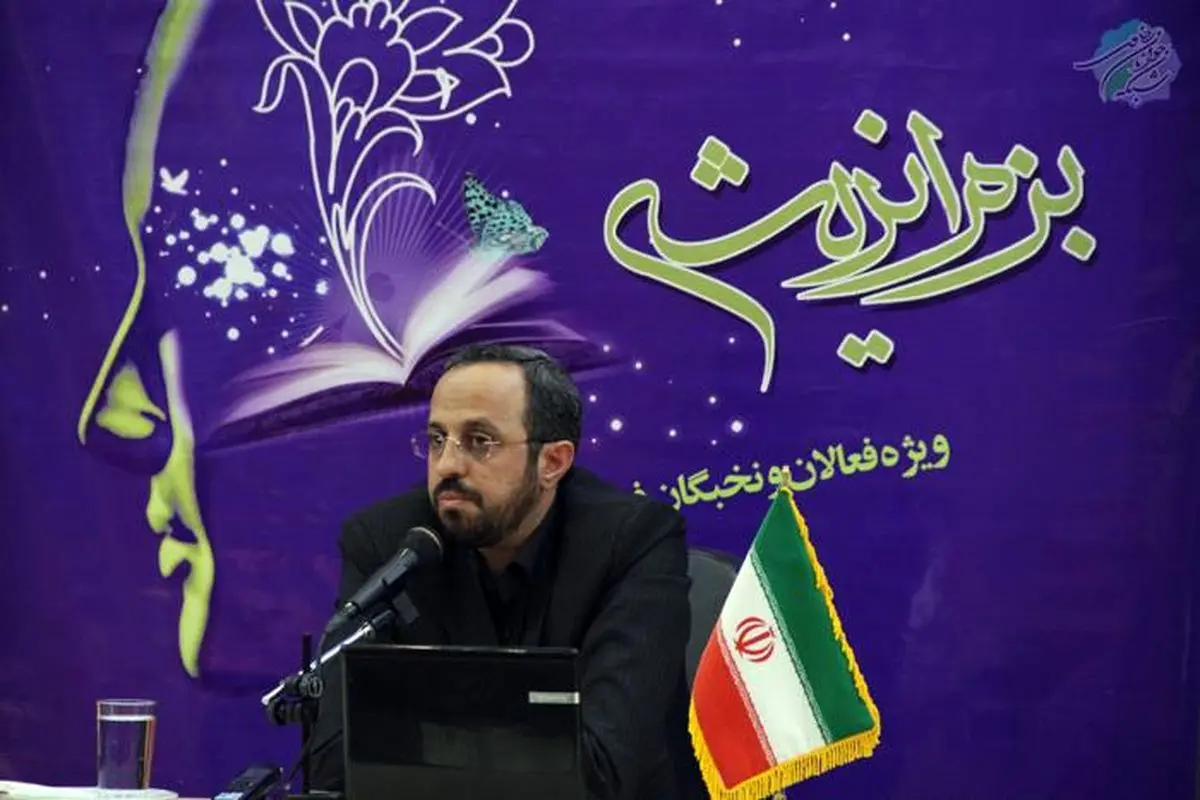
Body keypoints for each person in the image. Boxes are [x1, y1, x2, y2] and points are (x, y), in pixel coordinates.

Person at [308, 344, 707, 800]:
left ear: (553, 462)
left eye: (480, 441)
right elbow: (335, 764)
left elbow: (604, 771)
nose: (448, 465)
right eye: (437, 439)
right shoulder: (389, 543)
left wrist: (427, 740)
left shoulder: (633, 542)